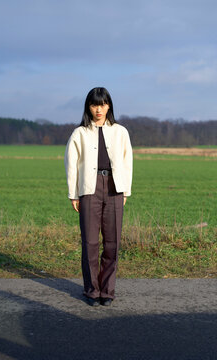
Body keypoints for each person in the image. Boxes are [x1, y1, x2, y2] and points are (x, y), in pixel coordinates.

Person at [64, 87, 133, 307]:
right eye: (94, 105)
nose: (99, 109)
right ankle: (92, 290)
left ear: (109, 105)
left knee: (112, 243)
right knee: (90, 243)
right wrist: (74, 194)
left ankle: (108, 290)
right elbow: (71, 165)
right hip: (89, 189)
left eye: (103, 104)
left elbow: (127, 162)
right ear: (89, 107)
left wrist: (125, 190)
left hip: (114, 188)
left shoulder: (121, 132)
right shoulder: (80, 133)